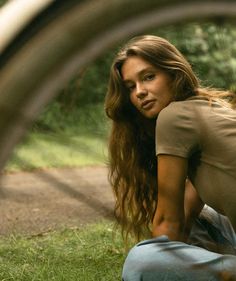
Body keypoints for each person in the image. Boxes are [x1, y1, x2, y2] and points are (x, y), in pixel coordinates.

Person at [104, 35, 236, 280]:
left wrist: (159, 261)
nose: (140, 92)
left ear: (174, 73)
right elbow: (185, 215)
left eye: (148, 77)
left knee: (141, 262)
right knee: (201, 220)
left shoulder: (174, 117)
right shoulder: (210, 108)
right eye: (131, 87)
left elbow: (168, 223)